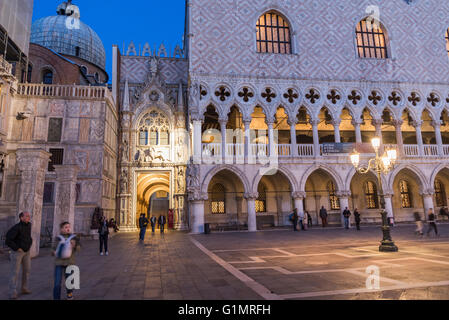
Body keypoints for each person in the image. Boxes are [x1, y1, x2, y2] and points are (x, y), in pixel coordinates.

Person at [5, 212, 32, 300]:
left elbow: (28, 237)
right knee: (15, 272)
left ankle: (24, 288)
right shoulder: (16, 228)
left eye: (29, 216)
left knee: (27, 270)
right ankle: (12, 292)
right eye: (26, 216)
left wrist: (29, 243)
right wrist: (17, 248)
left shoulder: (29, 225)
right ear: (21, 218)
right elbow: (8, 240)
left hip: (27, 252)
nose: (29, 217)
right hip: (17, 253)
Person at [52, 222, 80, 300]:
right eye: (65, 227)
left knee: (69, 281)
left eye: (68, 227)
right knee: (57, 282)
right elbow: (53, 249)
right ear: (61, 229)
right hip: (59, 263)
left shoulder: (74, 238)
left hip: (70, 263)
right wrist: (53, 252)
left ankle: (69, 294)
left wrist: (74, 246)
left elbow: (79, 248)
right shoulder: (58, 238)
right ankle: (56, 298)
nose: (67, 228)